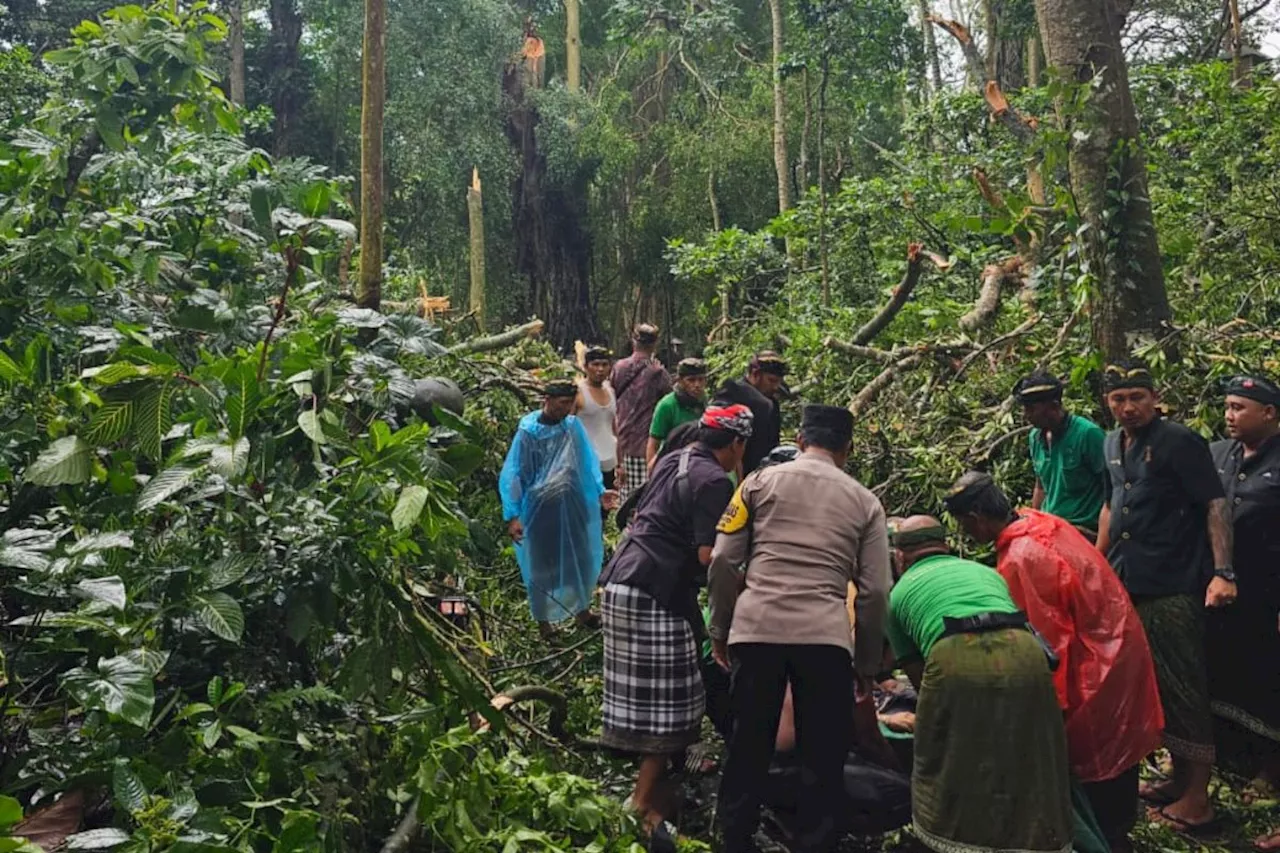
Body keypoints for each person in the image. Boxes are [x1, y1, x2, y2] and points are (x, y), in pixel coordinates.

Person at [946, 471, 1164, 852]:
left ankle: (1106, 839)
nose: (967, 535)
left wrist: (1045, 713)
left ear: (977, 519)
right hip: (1117, 646)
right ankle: (1119, 829)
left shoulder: (1022, 558)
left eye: (965, 526)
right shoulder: (1043, 522)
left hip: (1094, 664)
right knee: (1116, 749)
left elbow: (1047, 645)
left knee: (1093, 762)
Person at [707, 404, 891, 853]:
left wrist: (720, 628)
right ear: (847, 449)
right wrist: (866, 662)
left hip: (757, 629)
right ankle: (815, 841)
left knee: (749, 741)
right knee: (822, 753)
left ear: (801, 439)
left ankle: (732, 837)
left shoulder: (757, 482)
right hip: (824, 639)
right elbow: (874, 592)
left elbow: (724, 561)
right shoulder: (865, 501)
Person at [596, 404, 753, 850]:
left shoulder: (674, 458)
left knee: (652, 696)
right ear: (737, 444)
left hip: (622, 581)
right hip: (653, 590)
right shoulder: (712, 481)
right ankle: (641, 806)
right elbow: (711, 557)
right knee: (673, 703)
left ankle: (658, 795)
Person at [1095, 359, 1235, 832]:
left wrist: (1223, 571)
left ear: (1155, 398)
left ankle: (1198, 798)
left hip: (1173, 584)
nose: (1128, 407)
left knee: (1183, 688)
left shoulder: (1180, 441)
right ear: (1107, 403)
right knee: (1154, 688)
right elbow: (1112, 504)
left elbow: (1214, 504)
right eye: (1119, 399)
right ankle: (1176, 779)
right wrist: (1097, 563)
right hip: (1128, 581)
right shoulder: (1111, 442)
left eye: (1137, 397)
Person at [885, 516, 1072, 853]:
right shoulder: (985, 573)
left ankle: (955, 842)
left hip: (955, 652)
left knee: (947, 750)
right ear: (945, 546)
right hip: (1025, 651)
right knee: (1028, 750)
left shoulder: (897, 594)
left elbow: (922, 680)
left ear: (900, 557)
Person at [1207, 375, 1280, 852]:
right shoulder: (1218, 455)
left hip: (1269, 594)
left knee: (1271, 679)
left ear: (1270, 413)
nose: (1230, 415)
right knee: (1228, 675)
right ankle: (1234, 757)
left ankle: (1271, 770)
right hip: (1225, 590)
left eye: (1240, 407)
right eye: (1228, 406)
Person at [499, 379, 619, 640]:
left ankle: (582, 612)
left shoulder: (572, 428)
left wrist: (600, 491)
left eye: (570, 404)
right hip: (541, 510)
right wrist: (513, 516)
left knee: (580, 556)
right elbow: (515, 475)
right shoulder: (529, 432)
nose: (567, 409)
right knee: (542, 563)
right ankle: (545, 624)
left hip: (572, 504)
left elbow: (586, 462)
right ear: (547, 399)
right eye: (563, 403)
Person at [1014, 371, 1109, 539]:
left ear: (1054, 405)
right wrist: (1032, 522)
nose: (1025, 415)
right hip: (1049, 528)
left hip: (1083, 531)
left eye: (1031, 409)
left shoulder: (1087, 434)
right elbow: (1041, 485)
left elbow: (1112, 491)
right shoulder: (1035, 437)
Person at [610, 324, 672, 501]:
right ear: (655, 344)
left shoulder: (619, 367)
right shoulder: (658, 372)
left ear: (633, 341)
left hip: (622, 444)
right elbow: (670, 399)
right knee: (647, 499)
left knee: (626, 502)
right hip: (648, 447)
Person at [715, 351, 786, 476]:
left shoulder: (772, 403)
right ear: (755, 374)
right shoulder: (731, 395)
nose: (776, 387)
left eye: (778, 382)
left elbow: (773, 441)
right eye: (771, 381)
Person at [647, 358, 708, 473]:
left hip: (699, 465)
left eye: (701, 380)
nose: (697, 385)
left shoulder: (705, 402)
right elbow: (653, 443)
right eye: (691, 380)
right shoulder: (667, 405)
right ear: (680, 381)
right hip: (672, 466)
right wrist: (653, 473)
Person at [575, 345, 618, 500]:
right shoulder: (578, 393)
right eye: (595, 365)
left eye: (604, 365)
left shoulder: (610, 391)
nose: (600, 369)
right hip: (585, 463)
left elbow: (614, 425)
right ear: (586, 367)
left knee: (604, 509)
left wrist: (620, 460)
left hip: (609, 461)